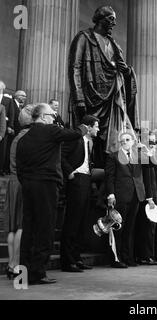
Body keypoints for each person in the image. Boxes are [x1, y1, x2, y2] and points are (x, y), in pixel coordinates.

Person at [17, 103, 87, 285]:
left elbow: (20, 168)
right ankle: (38, 273)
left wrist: (27, 182)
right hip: (47, 185)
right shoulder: (49, 131)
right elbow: (75, 134)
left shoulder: (23, 138)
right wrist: (84, 125)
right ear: (41, 117)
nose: (54, 118)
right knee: (45, 228)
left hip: (28, 185)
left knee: (29, 229)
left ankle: (23, 274)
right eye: (51, 115)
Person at [68, 6, 139, 168]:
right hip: (90, 96)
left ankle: (108, 175)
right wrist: (78, 96)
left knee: (112, 139)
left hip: (112, 98)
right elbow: (75, 67)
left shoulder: (115, 45)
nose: (114, 23)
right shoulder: (84, 38)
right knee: (89, 138)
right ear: (100, 19)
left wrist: (128, 73)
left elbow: (122, 71)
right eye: (110, 19)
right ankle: (88, 170)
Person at [105, 132, 153, 268]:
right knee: (118, 227)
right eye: (122, 140)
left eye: (127, 140)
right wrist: (111, 194)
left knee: (130, 229)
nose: (125, 142)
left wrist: (146, 151)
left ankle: (127, 257)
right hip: (120, 196)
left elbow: (151, 165)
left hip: (136, 196)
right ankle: (116, 258)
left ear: (133, 141)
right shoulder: (113, 156)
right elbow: (110, 177)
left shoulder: (138, 156)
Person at [60, 115, 100, 272]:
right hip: (76, 181)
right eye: (96, 126)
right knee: (72, 221)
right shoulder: (74, 139)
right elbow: (61, 155)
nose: (98, 129)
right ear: (88, 127)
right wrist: (69, 172)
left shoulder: (90, 142)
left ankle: (76, 258)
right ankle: (67, 261)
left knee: (82, 222)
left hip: (86, 181)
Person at [3, 105, 34, 279]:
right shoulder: (27, 138)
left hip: (13, 182)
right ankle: (16, 265)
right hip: (22, 181)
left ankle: (11, 264)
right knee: (21, 225)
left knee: (13, 227)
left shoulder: (17, 137)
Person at [0, 81, 16, 176]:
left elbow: (12, 113)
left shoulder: (8, 100)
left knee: (2, 150)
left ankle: (1, 169)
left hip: (3, 128)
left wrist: (10, 126)